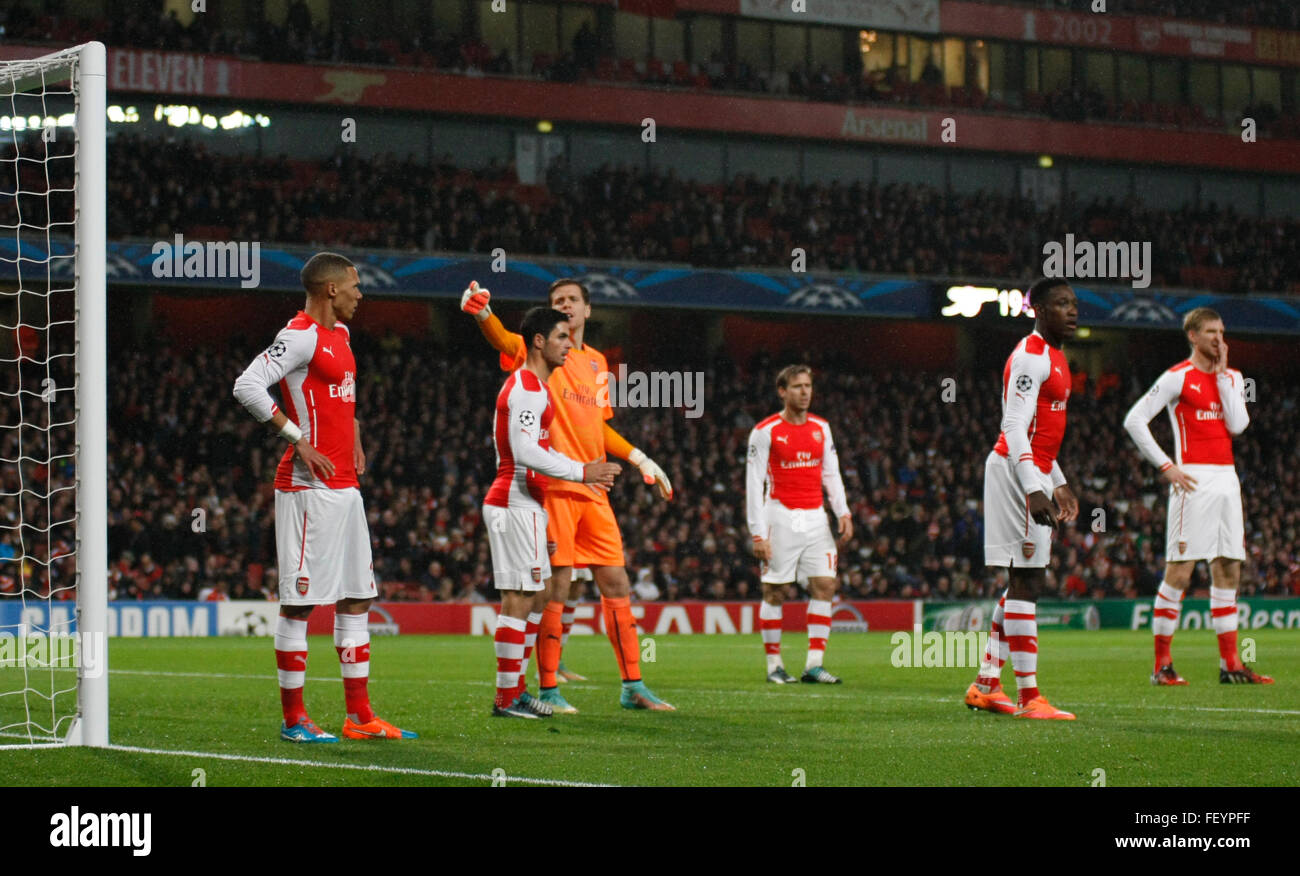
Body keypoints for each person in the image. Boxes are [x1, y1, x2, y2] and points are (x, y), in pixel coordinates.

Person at [462, 279, 675, 712]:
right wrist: (484, 312)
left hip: (594, 490)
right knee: (555, 588)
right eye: (556, 302)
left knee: (616, 582)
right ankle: (547, 689)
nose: (564, 306)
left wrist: (639, 457)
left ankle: (633, 685)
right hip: (554, 487)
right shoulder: (537, 355)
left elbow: (598, 427)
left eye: (571, 300)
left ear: (587, 310)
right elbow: (503, 337)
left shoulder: (596, 363)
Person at [233, 252, 415, 742]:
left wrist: (353, 433)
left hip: (345, 490)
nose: (362, 293)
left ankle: (360, 717)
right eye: (355, 285)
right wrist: (298, 438)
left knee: (356, 599)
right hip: (306, 488)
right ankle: (294, 720)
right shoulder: (299, 336)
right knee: (300, 605)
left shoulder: (344, 336)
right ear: (331, 289)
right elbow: (246, 385)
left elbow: (343, 396)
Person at [484, 307, 621, 718]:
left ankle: (516, 692)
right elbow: (525, 451)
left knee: (538, 595)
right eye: (561, 337)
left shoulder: (540, 389)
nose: (569, 344)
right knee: (519, 597)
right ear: (539, 341)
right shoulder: (526, 386)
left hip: (531, 502)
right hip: (513, 499)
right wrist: (583, 472)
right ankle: (507, 697)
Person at [1122, 308, 1272, 685]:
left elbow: (1238, 425)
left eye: (1222, 331)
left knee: (1228, 569)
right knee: (1180, 572)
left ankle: (1231, 665)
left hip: (1227, 481)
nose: (1219, 338)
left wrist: (1222, 376)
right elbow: (1134, 420)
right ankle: (1162, 666)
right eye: (1210, 332)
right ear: (1193, 335)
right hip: (1193, 479)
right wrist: (1166, 466)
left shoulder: (1233, 378)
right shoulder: (1177, 378)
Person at [964, 278, 1080, 720]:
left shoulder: (1056, 356)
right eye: (1061, 304)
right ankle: (1030, 698)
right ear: (1038, 310)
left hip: (1034, 468)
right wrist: (1034, 486)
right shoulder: (1032, 357)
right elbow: (1014, 426)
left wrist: (1058, 479)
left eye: (1074, 304)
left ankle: (986, 685)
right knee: (1028, 582)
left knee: (1023, 582)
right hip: (1017, 471)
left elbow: (1041, 433)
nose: (1072, 311)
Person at [746, 365, 852, 684]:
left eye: (808, 386)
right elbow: (754, 484)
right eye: (797, 387)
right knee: (775, 591)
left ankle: (814, 665)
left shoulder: (822, 427)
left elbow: (831, 473)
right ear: (782, 391)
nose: (805, 392)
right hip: (780, 516)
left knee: (825, 586)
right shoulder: (765, 431)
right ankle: (774, 666)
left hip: (816, 518)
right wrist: (758, 533)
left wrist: (843, 512)